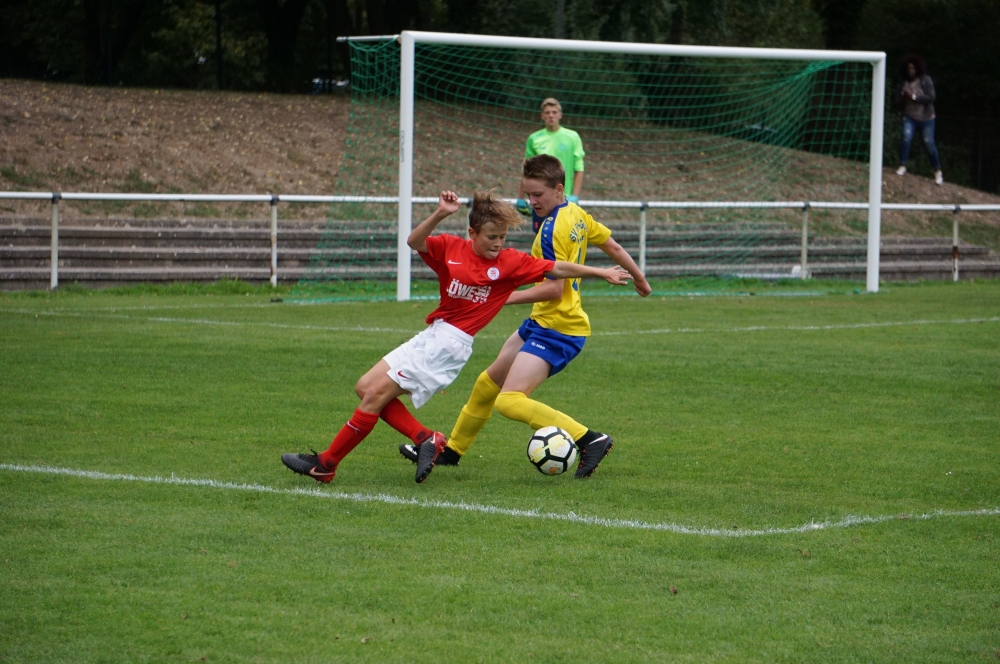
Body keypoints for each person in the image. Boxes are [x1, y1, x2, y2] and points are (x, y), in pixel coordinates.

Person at [281, 190, 633, 484]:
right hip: (432, 334)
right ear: (472, 233)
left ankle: (326, 464)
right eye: (491, 237)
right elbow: (414, 241)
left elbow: (558, 268)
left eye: (503, 237)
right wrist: (439, 213)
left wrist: (600, 271)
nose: (498, 244)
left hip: (450, 345)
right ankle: (426, 438)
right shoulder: (450, 248)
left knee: (374, 397)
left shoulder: (510, 262)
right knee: (364, 387)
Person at [401, 155, 652, 480]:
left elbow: (555, 290)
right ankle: (451, 452)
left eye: (538, 194)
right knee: (487, 385)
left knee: (509, 401)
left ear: (558, 189)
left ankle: (589, 438)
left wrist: (501, 297)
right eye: (528, 194)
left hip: (559, 328)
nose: (531, 201)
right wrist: (640, 279)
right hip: (540, 322)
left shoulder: (551, 231)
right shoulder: (577, 214)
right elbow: (613, 247)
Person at [516, 98, 585, 215]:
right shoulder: (534, 139)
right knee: (542, 227)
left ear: (560, 115)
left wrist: (575, 195)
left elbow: (579, 168)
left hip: (564, 198)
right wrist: (521, 198)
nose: (551, 115)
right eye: (547, 113)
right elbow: (527, 170)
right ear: (542, 116)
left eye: (554, 112)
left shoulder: (573, 137)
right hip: (541, 199)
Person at [895, 54, 943, 186]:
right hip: (909, 116)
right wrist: (903, 98)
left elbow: (931, 97)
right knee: (906, 137)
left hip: (926, 118)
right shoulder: (903, 83)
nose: (910, 71)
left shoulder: (925, 80)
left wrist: (914, 97)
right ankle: (902, 165)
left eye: (912, 68)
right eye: (908, 68)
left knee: (929, 143)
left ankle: (937, 171)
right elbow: (897, 103)